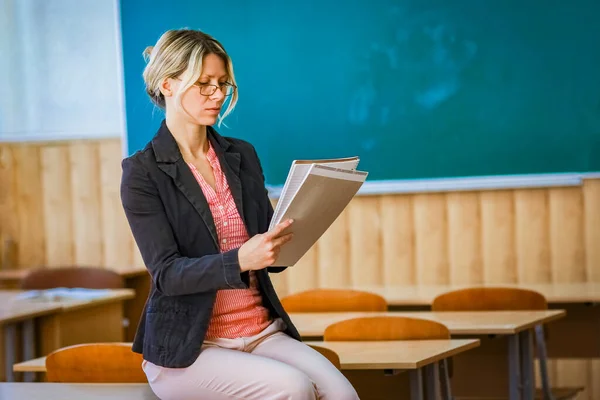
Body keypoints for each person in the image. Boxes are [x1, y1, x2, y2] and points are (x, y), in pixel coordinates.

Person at [120, 29, 359, 400]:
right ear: (167, 85)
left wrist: (294, 228)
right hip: (190, 348)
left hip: (260, 332)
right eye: (204, 84)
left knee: (342, 395)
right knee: (293, 389)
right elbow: (167, 274)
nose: (217, 95)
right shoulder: (142, 172)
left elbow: (271, 258)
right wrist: (240, 260)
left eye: (222, 84)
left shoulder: (241, 154)